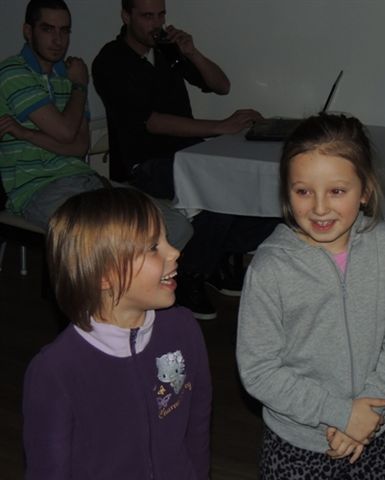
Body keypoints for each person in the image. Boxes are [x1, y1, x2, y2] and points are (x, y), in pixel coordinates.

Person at [236, 113, 385, 479]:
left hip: (373, 430)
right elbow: (259, 370)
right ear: (286, 192)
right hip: (298, 442)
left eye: (337, 191)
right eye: (303, 191)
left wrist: (366, 413)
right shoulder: (270, 268)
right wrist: (342, 413)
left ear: (365, 190)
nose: (319, 208)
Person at [92, 0, 278, 319]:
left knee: (264, 187)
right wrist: (220, 126)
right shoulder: (111, 60)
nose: (156, 23)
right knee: (218, 191)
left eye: (161, 15)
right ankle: (192, 274)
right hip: (144, 163)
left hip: (188, 153)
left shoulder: (166, 50)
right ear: (126, 16)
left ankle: (215, 259)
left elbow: (221, 85)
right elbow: (151, 122)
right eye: (147, 16)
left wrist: (192, 52)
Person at [22, 187, 212, 479]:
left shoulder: (183, 329)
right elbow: (48, 469)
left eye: (167, 239)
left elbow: (198, 425)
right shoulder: (56, 370)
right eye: (153, 246)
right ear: (103, 275)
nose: (174, 252)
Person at [0, 0, 192, 252]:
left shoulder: (68, 76)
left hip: (87, 181)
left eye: (64, 30)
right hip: (39, 190)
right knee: (112, 241)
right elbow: (65, 133)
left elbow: (80, 147)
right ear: (28, 31)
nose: (58, 40)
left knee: (177, 226)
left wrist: (26, 133)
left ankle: (134, 277)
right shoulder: (14, 72)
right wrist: (80, 86)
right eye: (47, 29)